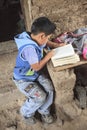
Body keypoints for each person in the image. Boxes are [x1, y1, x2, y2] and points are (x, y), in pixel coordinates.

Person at [13, 17, 64, 125]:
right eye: (48, 37)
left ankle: (44, 111)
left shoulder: (33, 37)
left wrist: (56, 45)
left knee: (49, 88)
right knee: (40, 96)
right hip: (23, 79)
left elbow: (46, 43)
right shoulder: (29, 49)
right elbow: (36, 67)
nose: (48, 40)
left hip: (33, 74)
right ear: (42, 36)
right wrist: (49, 55)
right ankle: (26, 113)